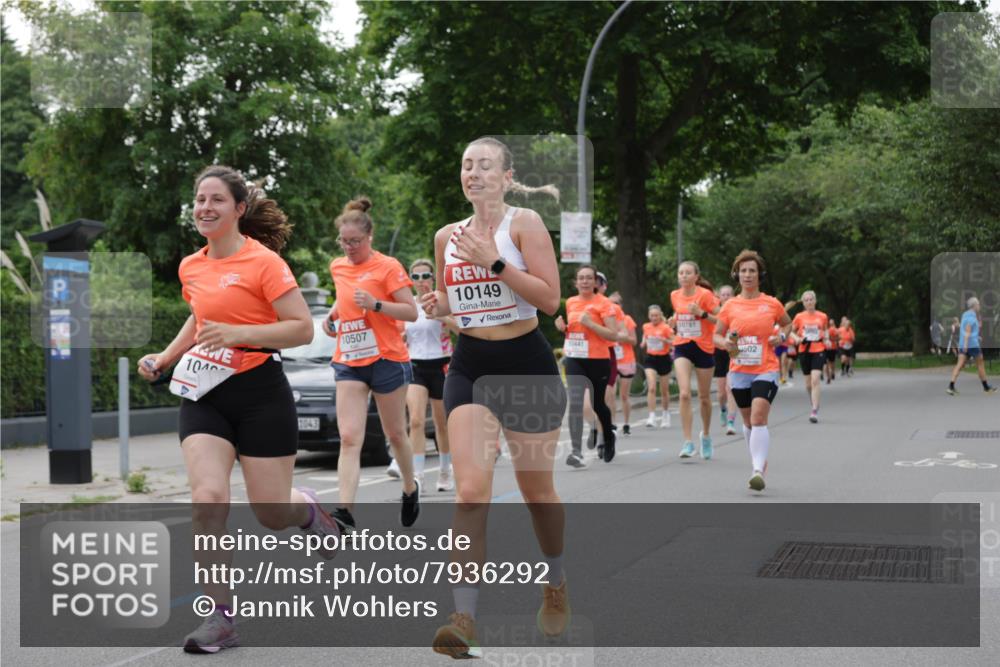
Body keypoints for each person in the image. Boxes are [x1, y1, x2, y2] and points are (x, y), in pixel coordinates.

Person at [137, 165, 341, 654]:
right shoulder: (192, 266)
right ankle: (221, 618)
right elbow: (200, 316)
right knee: (207, 498)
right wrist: (166, 357)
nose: (204, 208)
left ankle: (309, 512)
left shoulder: (264, 262)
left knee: (270, 511)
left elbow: (300, 329)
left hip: (259, 393)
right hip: (205, 393)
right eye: (199, 199)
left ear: (238, 209)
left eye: (216, 200)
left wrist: (240, 334)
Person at [421, 137, 569, 658]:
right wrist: (441, 305)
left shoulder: (523, 224)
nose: (474, 173)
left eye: (485, 165)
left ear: (508, 177)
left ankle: (554, 579)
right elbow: (458, 310)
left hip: (526, 364)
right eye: (466, 165)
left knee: (538, 494)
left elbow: (550, 300)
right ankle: (465, 619)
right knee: (470, 492)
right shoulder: (446, 236)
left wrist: (496, 264)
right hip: (470, 368)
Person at [323, 197, 421, 528]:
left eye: (355, 242)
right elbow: (344, 296)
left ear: (369, 238)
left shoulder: (388, 266)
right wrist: (333, 315)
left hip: (387, 358)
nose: (349, 248)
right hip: (350, 358)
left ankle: (410, 488)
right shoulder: (337, 266)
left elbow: (411, 311)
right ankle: (345, 513)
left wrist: (378, 304)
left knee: (395, 434)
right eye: (344, 241)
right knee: (350, 438)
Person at [713, 250, 791, 492]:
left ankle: (758, 471)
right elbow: (716, 335)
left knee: (758, 417)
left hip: (765, 368)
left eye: (752, 271)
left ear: (760, 275)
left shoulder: (771, 303)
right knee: (748, 421)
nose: (747, 275)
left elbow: (787, 324)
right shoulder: (730, 306)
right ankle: (758, 459)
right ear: (737, 275)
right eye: (743, 271)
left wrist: (781, 336)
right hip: (738, 370)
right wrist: (725, 343)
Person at [398, 258, 459, 492]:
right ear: (411, 281)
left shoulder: (443, 301)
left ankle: (445, 471)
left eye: (425, 276)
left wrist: (441, 316)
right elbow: (401, 335)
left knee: (442, 423)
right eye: (416, 277)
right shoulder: (408, 307)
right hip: (415, 365)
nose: (421, 281)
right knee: (415, 420)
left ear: (433, 278)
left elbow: (461, 329)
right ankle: (418, 476)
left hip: (441, 365)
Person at [555, 265, 619, 467]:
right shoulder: (571, 302)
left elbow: (613, 334)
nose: (584, 281)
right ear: (576, 282)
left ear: (595, 282)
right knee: (574, 403)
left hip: (598, 359)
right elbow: (574, 331)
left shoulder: (604, 303)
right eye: (581, 278)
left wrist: (591, 324)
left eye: (589, 278)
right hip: (574, 358)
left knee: (598, 404)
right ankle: (576, 452)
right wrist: (563, 329)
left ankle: (608, 437)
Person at [669, 261, 720, 459]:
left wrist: (702, 314)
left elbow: (722, 318)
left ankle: (705, 435)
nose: (683, 276)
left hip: (704, 347)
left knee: (704, 397)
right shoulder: (674, 295)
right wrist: (673, 320)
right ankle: (688, 442)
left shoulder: (705, 295)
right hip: (682, 344)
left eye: (688, 273)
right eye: (680, 272)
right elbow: (678, 314)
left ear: (696, 276)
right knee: (684, 394)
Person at [790, 290, 830, 423]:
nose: (809, 302)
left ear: (815, 301)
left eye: (811, 299)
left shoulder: (822, 316)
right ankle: (813, 400)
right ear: (803, 303)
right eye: (806, 300)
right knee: (808, 384)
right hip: (804, 350)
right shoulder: (799, 316)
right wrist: (797, 339)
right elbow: (790, 331)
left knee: (815, 379)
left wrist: (827, 339)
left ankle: (814, 410)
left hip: (818, 349)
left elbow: (825, 330)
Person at [947, 297, 997, 395]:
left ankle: (951, 386)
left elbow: (964, 327)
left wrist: (975, 337)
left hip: (963, 344)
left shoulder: (964, 315)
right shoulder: (972, 317)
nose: (979, 306)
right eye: (978, 304)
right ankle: (986, 387)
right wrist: (967, 343)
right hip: (972, 345)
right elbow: (968, 329)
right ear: (974, 306)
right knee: (980, 364)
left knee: (959, 365)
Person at [640, 305, 675, 429]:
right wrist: (643, 342)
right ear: (649, 316)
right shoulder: (646, 326)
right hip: (650, 359)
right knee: (652, 387)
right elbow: (645, 335)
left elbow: (675, 341)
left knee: (664, 391)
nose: (654, 318)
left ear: (660, 316)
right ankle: (652, 416)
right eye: (652, 316)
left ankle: (665, 414)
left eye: (656, 315)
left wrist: (665, 340)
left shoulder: (666, 328)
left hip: (664, 359)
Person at [609, 291, 639, 435]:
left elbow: (634, 340)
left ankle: (626, 424)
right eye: (611, 303)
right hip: (610, 360)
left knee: (624, 395)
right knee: (610, 394)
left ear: (621, 305)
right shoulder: (605, 319)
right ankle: (612, 424)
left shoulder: (627, 319)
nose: (614, 306)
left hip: (626, 360)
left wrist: (621, 337)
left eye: (617, 303)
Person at [713, 285, 738, 435]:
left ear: (733, 296)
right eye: (723, 294)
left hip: (734, 351)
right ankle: (723, 409)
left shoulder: (737, 311)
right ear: (719, 298)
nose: (726, 297)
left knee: (731, 389)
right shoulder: (715, 313)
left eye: (729, 294)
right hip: (719, 351)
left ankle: (731, 421)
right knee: (721, 393)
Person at [824, 320, 840, 384]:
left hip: (830, 348)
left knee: (828, 363)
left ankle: (830, 374)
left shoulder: (833, 330)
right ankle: (831, 374)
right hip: (826, 348)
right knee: (830, 362)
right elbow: (838, 338)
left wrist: (830, 339)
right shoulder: (834, 330)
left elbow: (838, 338)